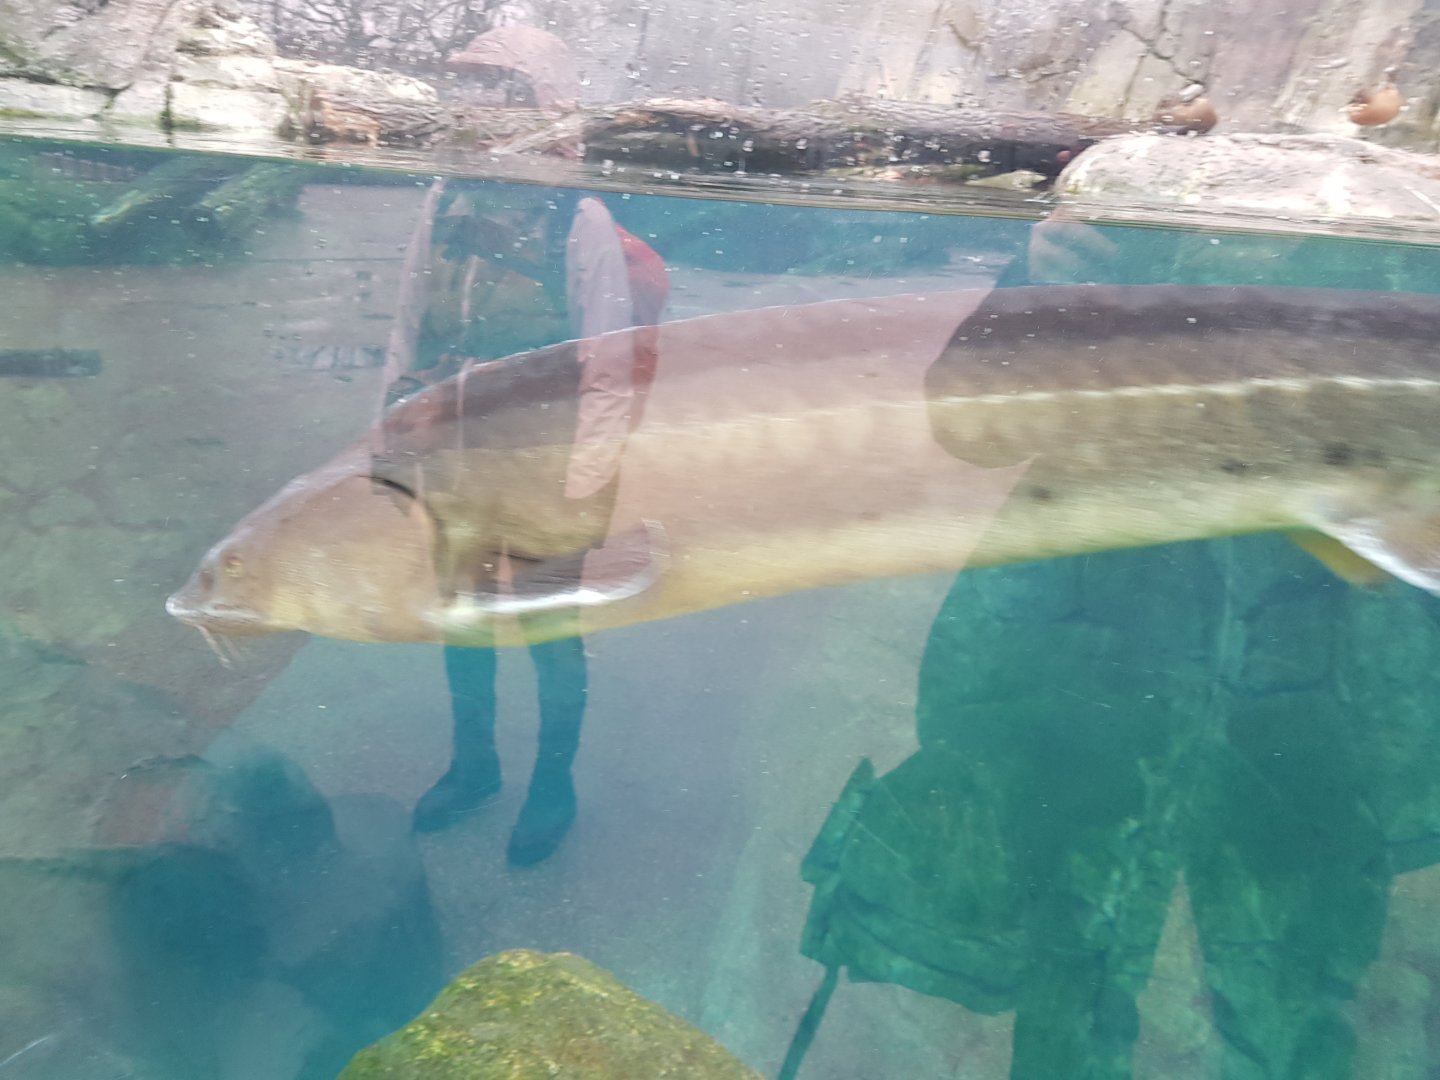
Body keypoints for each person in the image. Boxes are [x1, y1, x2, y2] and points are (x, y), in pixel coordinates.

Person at [382, 27, 668, 865]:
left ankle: (553, 782)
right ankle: (474, 766)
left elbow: (608, 366)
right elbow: (407, 328)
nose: (481, 107)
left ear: (542, 103)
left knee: (548, 631)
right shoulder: (443, 201)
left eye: (500, 88)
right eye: (471, 87)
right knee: (461, 617)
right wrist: (386, 438)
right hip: (455, 459)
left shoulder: (577, 220)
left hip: (551, 468)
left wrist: (584, 483)